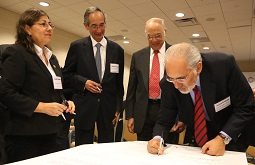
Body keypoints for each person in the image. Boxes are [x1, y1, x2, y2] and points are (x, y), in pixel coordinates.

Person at [147, 42, 255, 156]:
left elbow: (246, 106)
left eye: (181, 78)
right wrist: (157, 138)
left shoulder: (223, 66)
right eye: (171, 78)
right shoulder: (168, 84)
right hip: (199, 141)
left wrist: (223, 138)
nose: (176, 86)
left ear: (198, 67)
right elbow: (164, 119)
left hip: (232, 134)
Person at [0, 8, 75, 163]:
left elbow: (54, 91)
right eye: (43, 24)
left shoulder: (52, 58)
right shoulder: (17, 53)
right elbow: (5, 92)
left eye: (50, 24)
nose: (49, 28)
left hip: (52, 133)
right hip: (25, 136)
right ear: (27, 29)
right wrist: (41, 107)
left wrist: (65, 102)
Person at [63, 6, 124, 145]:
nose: (99, 30)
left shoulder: (117, 50)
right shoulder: (77, 47)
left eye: (102, 25)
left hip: (108, 109)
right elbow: (66, 75)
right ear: (86, 26)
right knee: (83, 149)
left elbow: (118, 84)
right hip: (84, 107)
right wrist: (84, 82)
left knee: (107, 147)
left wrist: (118, 108)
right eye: (94, 26)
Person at [125, 18, 184, 142]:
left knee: (168, 151)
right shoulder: (138, 56)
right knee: (143, 151)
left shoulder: (176, 54)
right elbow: (132, 88)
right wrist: (130, 115)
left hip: (169, 111)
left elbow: (183, 89)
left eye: (158, 36)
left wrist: (181, 117)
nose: (154, 40)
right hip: (143, 113)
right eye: (150, 37)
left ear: (165, 32)